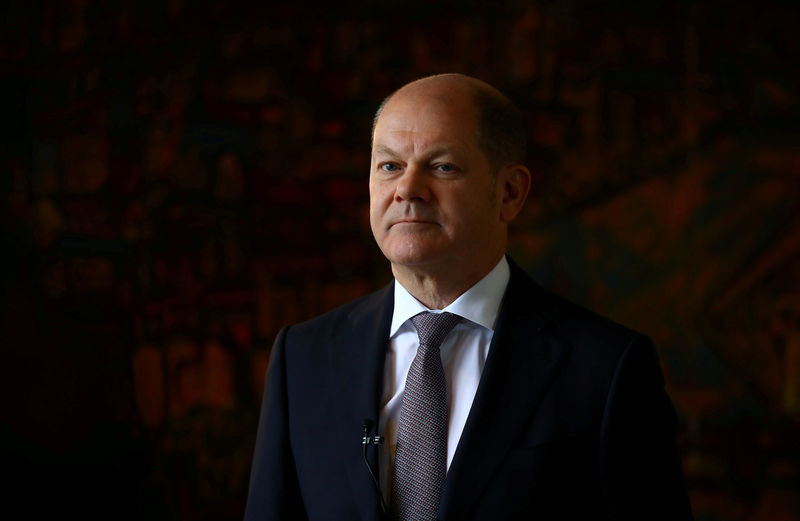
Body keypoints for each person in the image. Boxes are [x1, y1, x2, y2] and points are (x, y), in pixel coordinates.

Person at [244, 73, 693, 521]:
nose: (407, 190)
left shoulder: (606, 367)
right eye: (389, 166)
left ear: (509, 193)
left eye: (442, 167)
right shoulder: (302, 358)